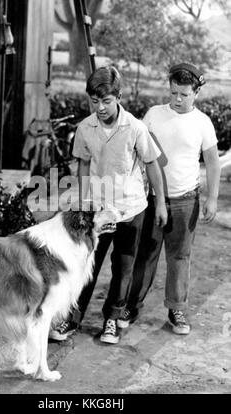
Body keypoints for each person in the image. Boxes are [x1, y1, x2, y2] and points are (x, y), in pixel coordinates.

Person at [49, 65, 167, 344]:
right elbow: (84, 164)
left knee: (123, 268)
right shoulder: (85, 128)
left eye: (106, 101)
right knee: (86, 264)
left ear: (118, 97)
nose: (100, 107)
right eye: (94, 101)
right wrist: (82, 201)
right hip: (97, 210)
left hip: (130, 209)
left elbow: (152, 166)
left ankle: (111, 320)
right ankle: (71, 318)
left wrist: (159, 203)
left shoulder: (136, 128)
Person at [117, 62, 221, 335]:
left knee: (179, 257)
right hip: (151, 199)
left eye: (183, 95)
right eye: (173, 93)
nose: (176, 99)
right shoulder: (153, 115)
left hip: (186, 199)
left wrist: (212, 199)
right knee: (145, 255)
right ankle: (131, 305)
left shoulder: (202, 123)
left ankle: (177, 309)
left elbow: (212, 163)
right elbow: (136, 151)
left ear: (196, 93)